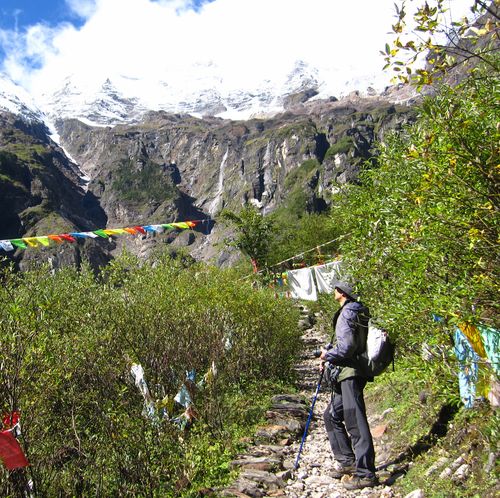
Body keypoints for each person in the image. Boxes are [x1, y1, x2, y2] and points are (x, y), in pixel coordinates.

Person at [319, 280, 379, 490]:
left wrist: (328, 355)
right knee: (331, 415)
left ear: (341, 292)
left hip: (349, 373)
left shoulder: (346, 313)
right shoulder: (359, 311)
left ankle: (365, 473)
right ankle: (348, 462)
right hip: (352, 371)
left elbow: (346, 348)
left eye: (336, 288)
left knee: (355, 421)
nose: (333, 291)